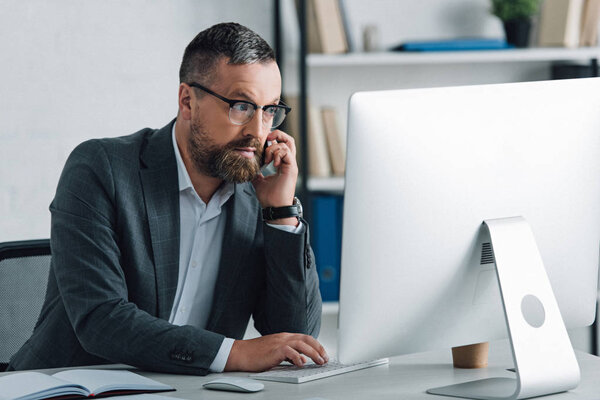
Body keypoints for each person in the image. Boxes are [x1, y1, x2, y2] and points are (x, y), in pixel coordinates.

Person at [8, 22, 326, 375]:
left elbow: (296, 336)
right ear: (188, 102)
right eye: (241, 106)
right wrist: (233, 353)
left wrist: (281, 213)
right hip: (70, 387)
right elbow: (101, 320)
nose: (259, 131)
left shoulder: (256, 198)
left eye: (269, 110)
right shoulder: (101, 169)